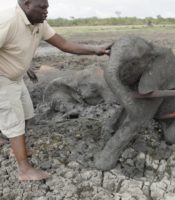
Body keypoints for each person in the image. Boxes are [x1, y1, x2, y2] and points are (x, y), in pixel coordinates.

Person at [0, 0, 111, 181]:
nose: (47, 11)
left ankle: (19, 149)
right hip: (2, 79)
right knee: (13, 122)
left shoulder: (39, 24)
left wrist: (96, 50)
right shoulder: (7, 20)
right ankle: (25, 169)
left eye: (48, 7)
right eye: (42, 7)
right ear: (27, 4)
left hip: (15, 78)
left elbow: (65, 45)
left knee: (28, 115)